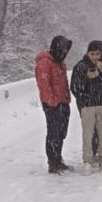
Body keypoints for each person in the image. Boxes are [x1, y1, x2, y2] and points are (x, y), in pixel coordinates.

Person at [70, 40, 102, 168]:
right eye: (92, 54)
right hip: (87, 106)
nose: (95, 57)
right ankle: (87, 160)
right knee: (88, 134)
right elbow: (74, 87)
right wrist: (87, 78)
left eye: (97, 54)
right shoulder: (80, 66)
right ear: (87, 53)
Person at [35, 35, 73, 174]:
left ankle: (58, 158)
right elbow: (44, 84)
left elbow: (64, 82)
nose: (64, 52)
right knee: (53, 133)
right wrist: (53, 101)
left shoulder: (60, 63)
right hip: (52, 105)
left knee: (61, 132)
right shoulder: (45, 63)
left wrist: (67, 97)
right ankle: (53, 162)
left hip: (63, 102)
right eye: (62, 49)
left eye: (65, 50)